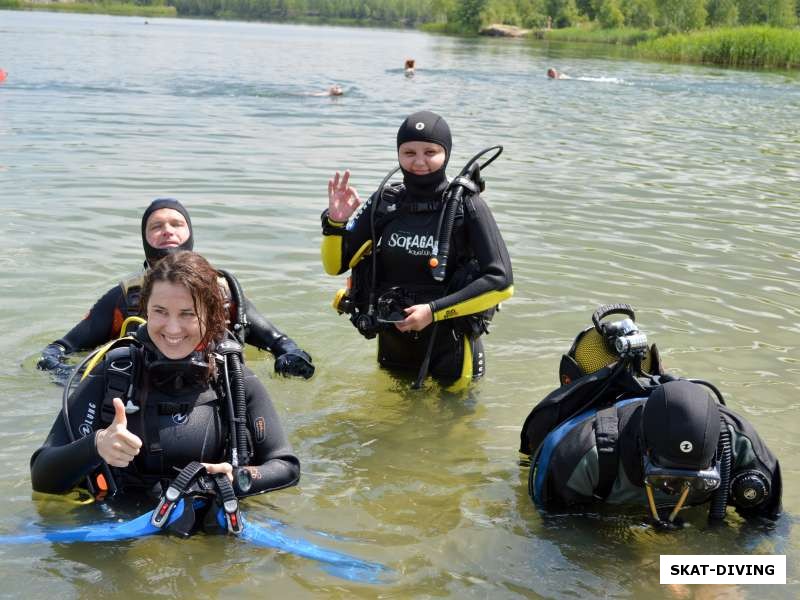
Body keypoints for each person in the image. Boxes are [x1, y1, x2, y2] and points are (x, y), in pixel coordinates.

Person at [30, 251, 300, 505]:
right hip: (124, 530)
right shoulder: (115, 373)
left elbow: (286, 467)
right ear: (145, 311)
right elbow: (42, 475)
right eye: (160, 311)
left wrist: (234, 480)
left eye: (188, 314)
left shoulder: (232, 378)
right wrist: (96, 445)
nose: (172, 328)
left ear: (211, 316)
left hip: (209, 524)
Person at [320, 110, 513, 390]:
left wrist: (432, 312)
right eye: (409, 152)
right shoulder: (385, 202)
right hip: (393, 339)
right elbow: (334, 266)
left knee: (452, 428)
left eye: (430, 151)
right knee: (394, 428)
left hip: (451, 345)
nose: (419, 161)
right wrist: (336, 223)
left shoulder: (467, 206)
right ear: (398, 153)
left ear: (445, 153)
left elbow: (501, 283)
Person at [37, 198, 314, 381]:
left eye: (176, 224)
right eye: (156, 226)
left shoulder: (222, 292)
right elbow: (57, 350)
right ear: (144, 239)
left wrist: (291, 356)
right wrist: (70, 374)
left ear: (190, 233)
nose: (167, 230)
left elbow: (279, 342)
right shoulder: (125, 298)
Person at [525, 378, 782, 528]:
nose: (676, 489)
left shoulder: (744, 451)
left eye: (696, 481)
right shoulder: (583, 456)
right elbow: (560, 536)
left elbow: (769, 540)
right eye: (664, 479)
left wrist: (713, 575)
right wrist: (641, 565)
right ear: (643, 449)